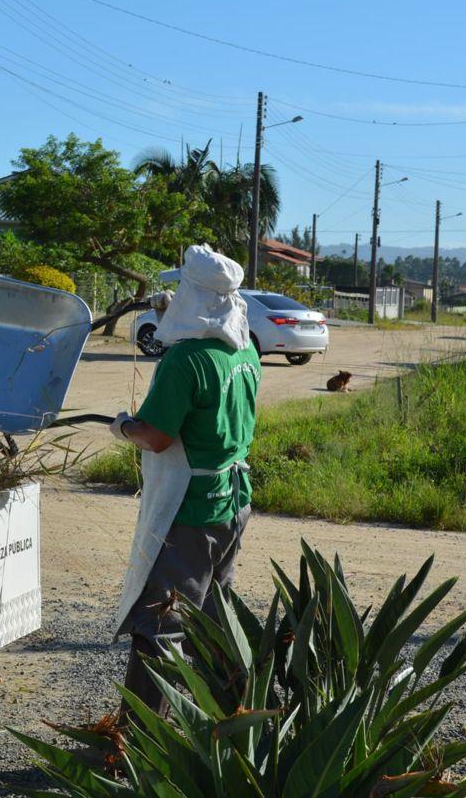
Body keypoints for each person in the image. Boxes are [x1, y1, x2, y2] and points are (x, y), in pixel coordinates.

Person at [109, 244, 261, 719]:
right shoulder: (244, 350)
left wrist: (123, 426)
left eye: (180, 292)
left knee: (162, 622)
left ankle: (139, 741)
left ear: (193, 297)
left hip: (189, 511)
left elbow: (156, 437)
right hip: (232, 503)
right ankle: (225, 722)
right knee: (214, 619)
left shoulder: (185, 362)